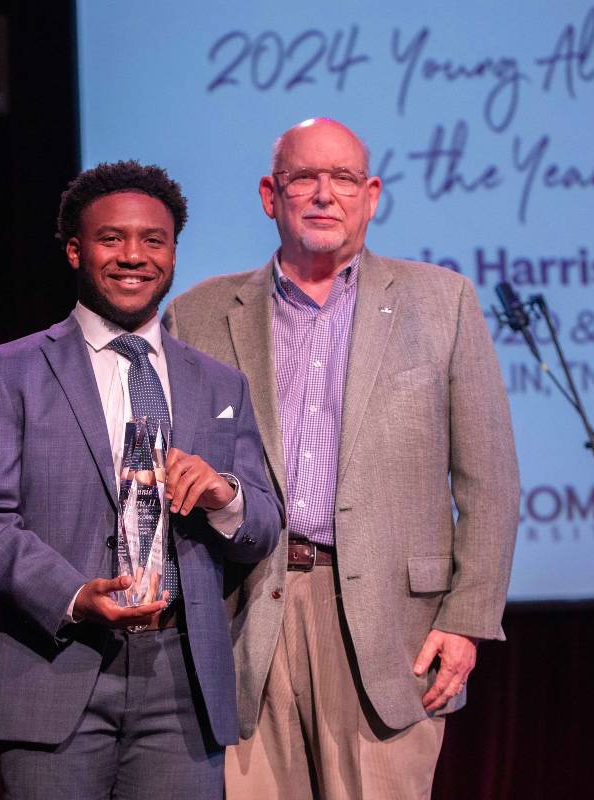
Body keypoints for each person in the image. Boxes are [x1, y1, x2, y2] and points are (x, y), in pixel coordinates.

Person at [163, 117, 521, 799]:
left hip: (393, 628)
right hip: (248, 615)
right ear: (272, 194)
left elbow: (491, 480)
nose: (325, 194)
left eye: (344, 179)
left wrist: (466, 619)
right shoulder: (200, 314)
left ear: (372, 194)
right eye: (305, 178)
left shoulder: (440, 303)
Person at [0, 160, 282, 799]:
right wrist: (74, 595)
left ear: (174, 253)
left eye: (153, 240)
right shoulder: (10, 372)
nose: (134, 256)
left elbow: (264, 521)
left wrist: (224, 496)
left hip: (181, 681)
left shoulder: (219, 383)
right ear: (76, 250)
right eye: (111, 239)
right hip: (57, 665)